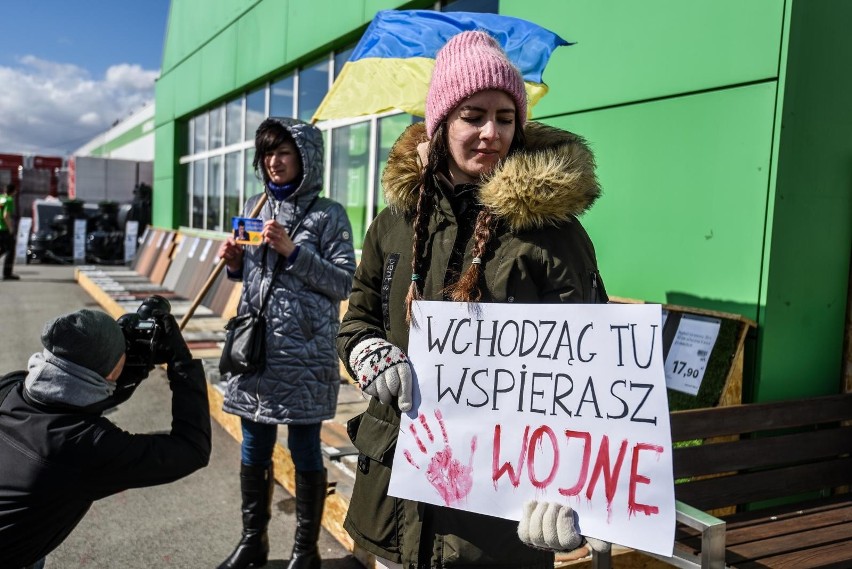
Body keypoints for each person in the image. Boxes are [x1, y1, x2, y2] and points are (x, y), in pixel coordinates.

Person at [337, 30, 610, 568]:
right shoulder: (395, 223)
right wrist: (369, 353)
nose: (491, 133)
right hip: (394, 502)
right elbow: (360, 316)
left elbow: (592, 372)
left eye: (505, 118)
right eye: (473, 116)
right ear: (442, 123)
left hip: (500, 521)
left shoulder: (553, 235)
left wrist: (576, 488)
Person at [216, 117, 356, 569]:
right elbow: (253, 282)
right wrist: (235, 264)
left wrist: (293, 252)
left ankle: (305, 551)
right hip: (254, 351)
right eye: (268, 154)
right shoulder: (254, 206)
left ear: (306, 159)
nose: (274, 162)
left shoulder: (328, 214)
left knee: (304, 448)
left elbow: (344, 282)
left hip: (304, 355)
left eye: (284, 152)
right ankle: (252, 542)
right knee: (253, 446)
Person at [0, 308, 212, 569]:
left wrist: (128, 365)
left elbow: (76, 396)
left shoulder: (11, 387)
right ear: (111, 373)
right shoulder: (86, 446)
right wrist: (181, 363)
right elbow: (192, 449)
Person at [0, 182, 20, 280]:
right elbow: (5, 216)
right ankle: (7, 273)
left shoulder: (0, 198)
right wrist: (10, 228)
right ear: (13, 191)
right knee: (10, 250)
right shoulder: (9, 200)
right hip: (4, 229)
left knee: (3, 249)